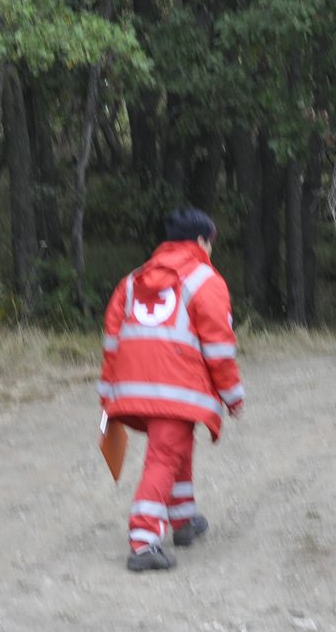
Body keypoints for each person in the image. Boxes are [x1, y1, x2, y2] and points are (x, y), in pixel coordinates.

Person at [99, 207, 245, 572]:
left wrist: (107, 395)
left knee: (175, 447)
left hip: (133, 388)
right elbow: (219, 347)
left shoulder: (131, 281)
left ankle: (183, 519)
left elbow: (112, 342)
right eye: (210, 242)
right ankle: (144, 541)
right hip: (176, 389)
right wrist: (233, 395)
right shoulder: (205, 280)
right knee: (164, 457)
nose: (211, 250)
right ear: (200, 241)